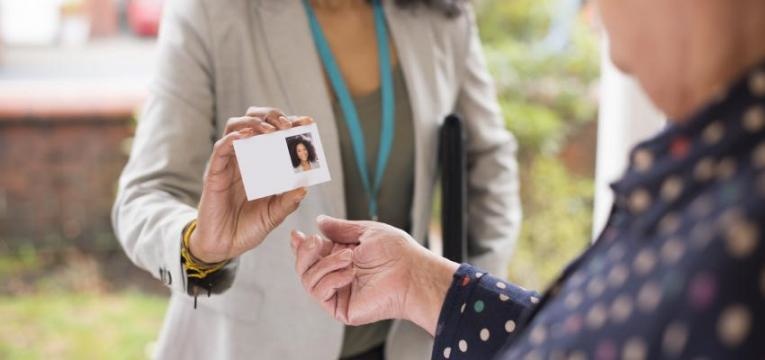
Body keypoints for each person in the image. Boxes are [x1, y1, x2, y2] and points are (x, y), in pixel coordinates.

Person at [292, 0, 765, 358]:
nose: (595, 18)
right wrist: (420, 281)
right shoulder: (704, 173)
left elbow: (492, 161)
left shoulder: (738, 228)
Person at [111, 0, 521, 358]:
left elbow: (490, 162)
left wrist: (463, 304)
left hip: (411, 345)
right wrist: (202, 247)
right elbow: (148, 194)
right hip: (252, 345)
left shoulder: (442, 14)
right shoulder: (212, 11)